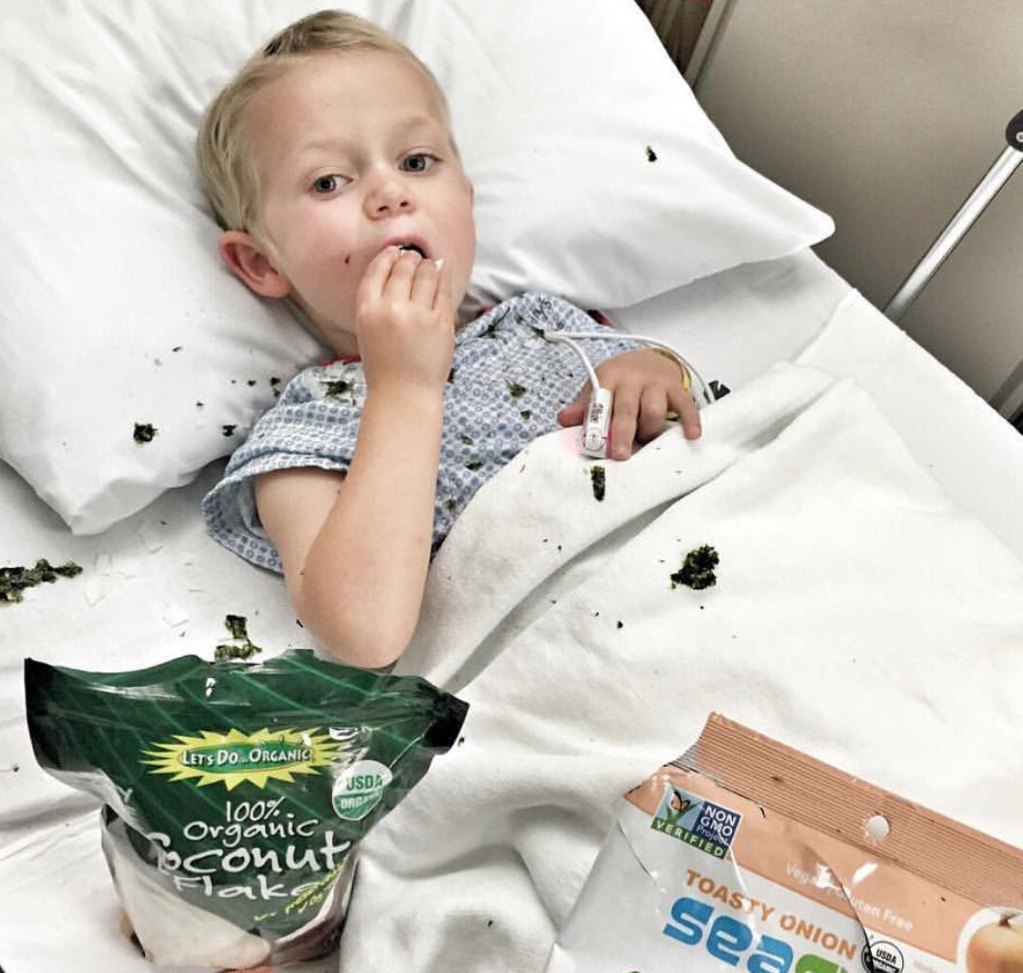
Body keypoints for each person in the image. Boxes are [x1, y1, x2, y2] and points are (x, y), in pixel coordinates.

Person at [197, 10, 702, 669]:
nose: (390, 192)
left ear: (465, 197)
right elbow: (363, 634)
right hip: (583, 648)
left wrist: (654, 371)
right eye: (328, 182)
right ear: (261, 263)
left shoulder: (540, 322)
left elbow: (687, 412)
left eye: (416, 161)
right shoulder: (303, 434)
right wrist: (404, 387)